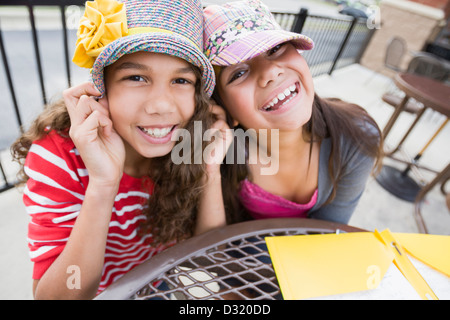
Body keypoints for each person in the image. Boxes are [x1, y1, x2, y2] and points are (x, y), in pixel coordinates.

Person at [10, 0, 229, 299]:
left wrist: (210, 169)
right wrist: (103, 184)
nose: (161, 106)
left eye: (181, 80)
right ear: (101, 89)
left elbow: (208, 258)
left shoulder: (190, 142)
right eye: (136, 78)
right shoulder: (58, 156)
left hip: (158, 282)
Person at [202, 0, 383, 225]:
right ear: (224, 108)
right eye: (238, 73)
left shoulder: (356, 138)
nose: (270, 71)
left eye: (275, 49)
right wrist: (210, 172)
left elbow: (328, 238)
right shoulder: (223, 149)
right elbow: (208, 251)